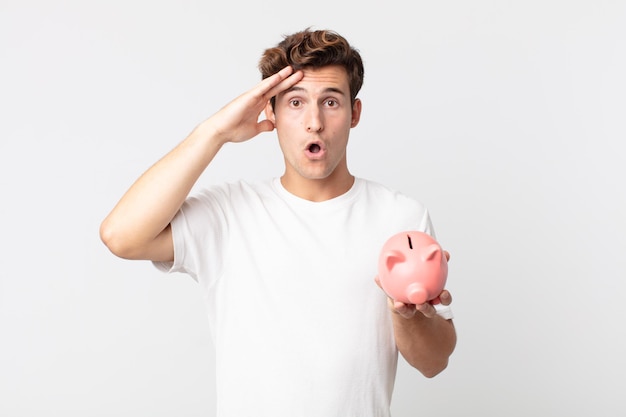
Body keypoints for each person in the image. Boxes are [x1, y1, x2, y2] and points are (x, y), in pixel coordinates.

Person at [100, 28, 456, 417]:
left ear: (354, 113)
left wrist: (408, 317)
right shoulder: (230, 214)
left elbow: (434, 362)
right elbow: (121, 236)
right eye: (295, 103)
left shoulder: (401, 220)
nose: (314, 122)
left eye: (331, 102)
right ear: (270, 111)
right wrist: (214, 132)